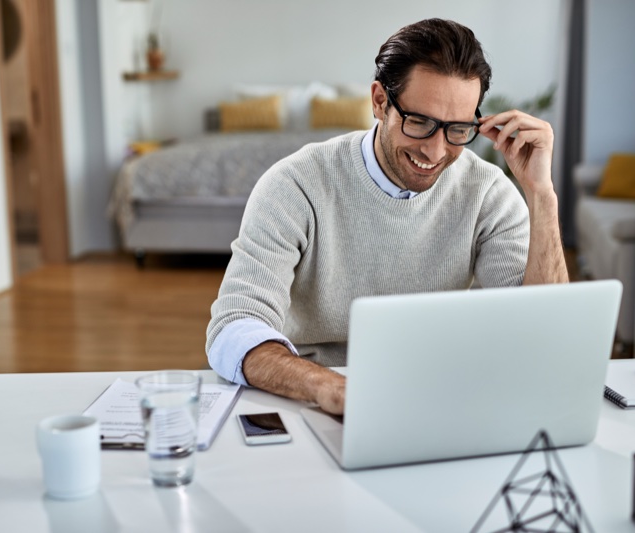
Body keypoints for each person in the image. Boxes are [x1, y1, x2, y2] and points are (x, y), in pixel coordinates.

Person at [206, 18, 568, 415]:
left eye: (457, 129)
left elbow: (543, 337)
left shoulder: (488, 193)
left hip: (437, 400)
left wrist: (542, 196)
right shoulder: (296, 185)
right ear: (380, 101)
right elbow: (233, 328)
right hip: (313, 400)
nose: (435, 151)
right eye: (420, 122)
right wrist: (333, 389)